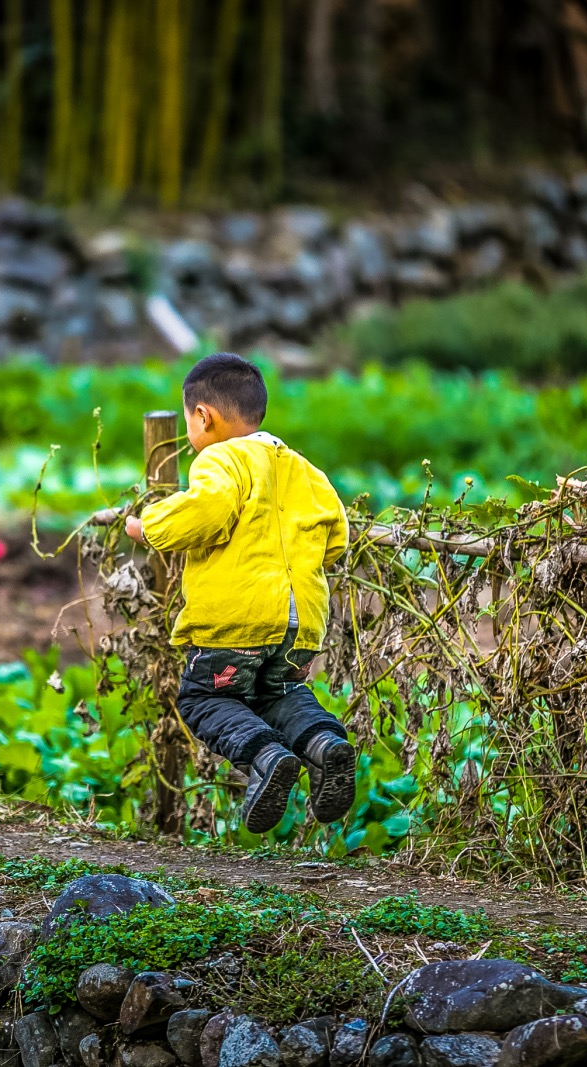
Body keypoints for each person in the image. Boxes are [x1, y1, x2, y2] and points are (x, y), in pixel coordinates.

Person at [125, 352, 355, 834]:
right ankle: (325, 745)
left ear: (202, 416)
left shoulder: (221, 458)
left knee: (204, 698)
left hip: (238, 620)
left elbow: (206, 511)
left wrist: (148, 525)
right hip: (302, 626)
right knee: (279, 691)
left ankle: (267, 759)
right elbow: (337, 537)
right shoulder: (303, 468)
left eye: (190, 423)